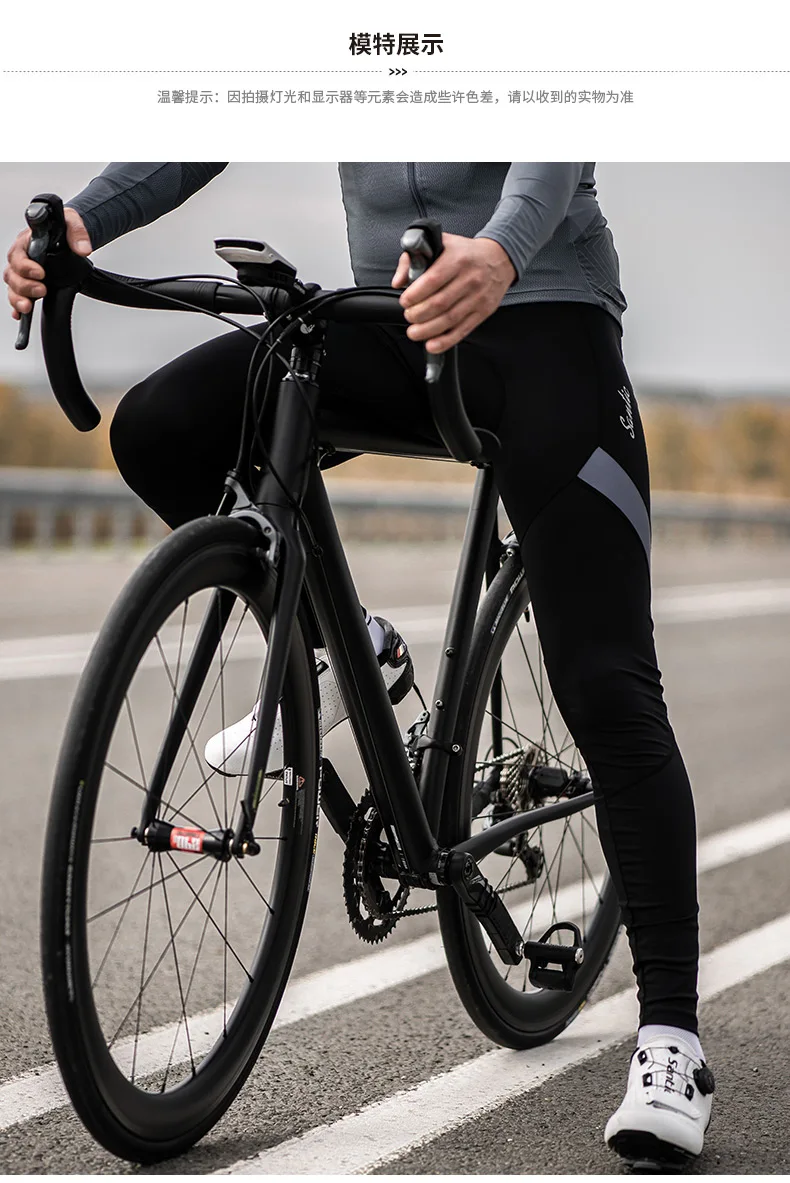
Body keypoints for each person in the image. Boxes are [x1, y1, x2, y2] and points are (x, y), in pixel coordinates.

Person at [4, 162, 715, 1166]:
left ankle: (672, 1039)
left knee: (606, 683)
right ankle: (345, 654)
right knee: (164, 427)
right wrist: (86, 218)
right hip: (392, 321)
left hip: (543, 323)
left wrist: (502, 250)